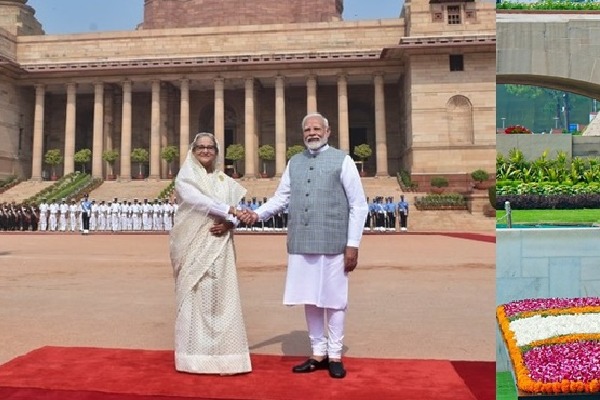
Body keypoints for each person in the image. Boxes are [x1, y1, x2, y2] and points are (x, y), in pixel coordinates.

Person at [239, 112, 369, 379]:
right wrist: (257, 214)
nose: (312, 132)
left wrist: (353, 244)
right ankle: (317, 353)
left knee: (334, 301)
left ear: (328, 131)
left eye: (317, 128)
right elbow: (280, 198)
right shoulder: (294, 162)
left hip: (334, 241)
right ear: (303, 134)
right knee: (310, 298)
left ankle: (334, 355)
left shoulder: (343, 160)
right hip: (302, 240)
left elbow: (358, 204)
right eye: (307, 129)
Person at [169, 132, 251, 375]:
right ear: (193, 151)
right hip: (193, 244)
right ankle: (192, 357)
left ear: (216, 152)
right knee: (194, 296)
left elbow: (232, 214)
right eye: (200, 147)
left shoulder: (224, 181)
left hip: (220, 243)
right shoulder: (185, 177)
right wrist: (231, 211)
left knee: (221, 297)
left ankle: (226, 357)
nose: (205, 151)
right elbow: (197, 200)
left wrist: (230, 222)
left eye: (210, 147)